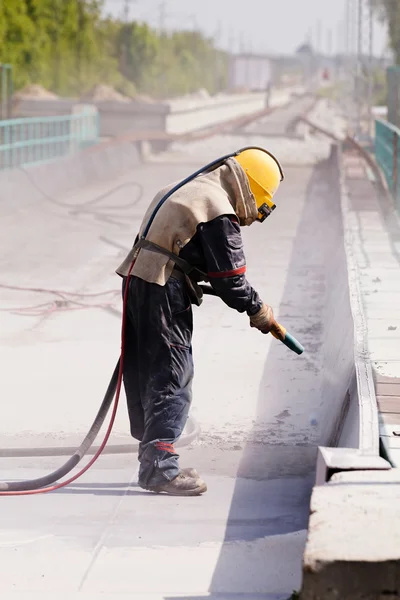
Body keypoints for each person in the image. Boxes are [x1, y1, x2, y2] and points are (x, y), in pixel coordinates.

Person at [116, 147, 285, 496]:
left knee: (147, 369)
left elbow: (192, 254)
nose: (252, 218)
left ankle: (152, 457)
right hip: (163, 289)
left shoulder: (184, 188)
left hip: (137, 280)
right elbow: (231, 281)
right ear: (251, 190)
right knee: (171, 373)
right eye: (259, 210)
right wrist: (260, 311)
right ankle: (160, 470)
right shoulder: (218, 209)